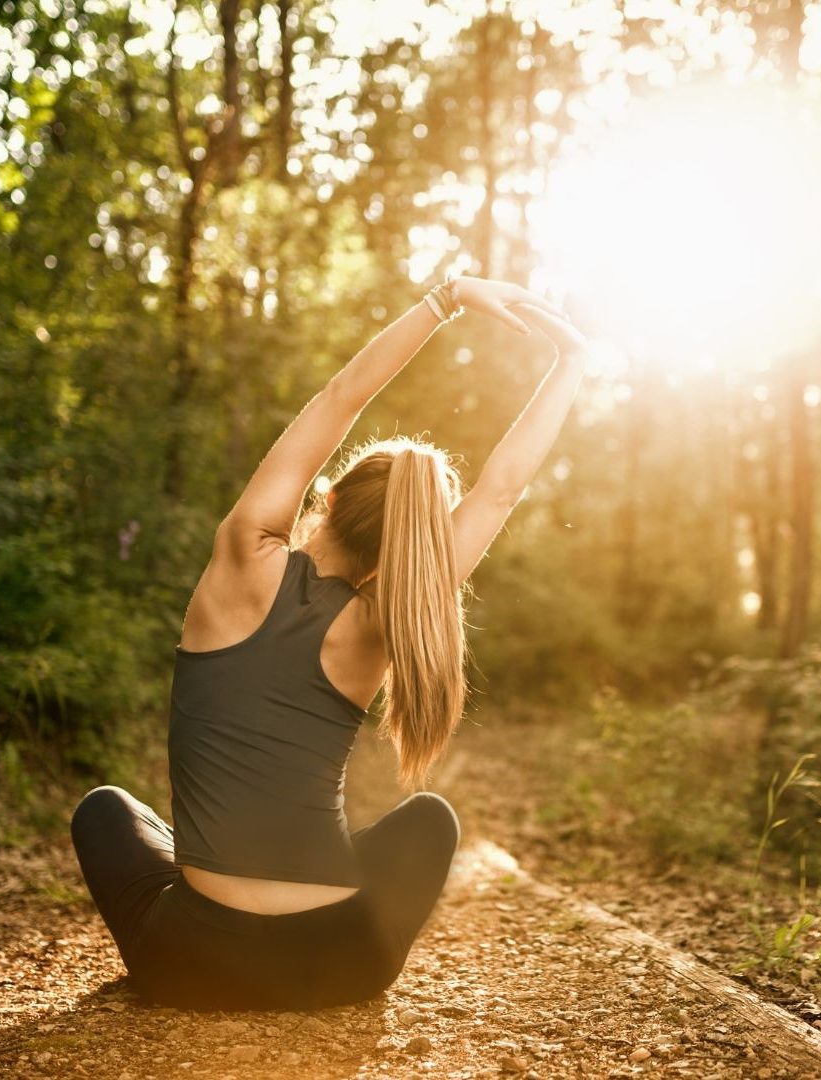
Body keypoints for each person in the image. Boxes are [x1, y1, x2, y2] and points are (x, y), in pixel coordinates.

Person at [68, 275, 590, 1011]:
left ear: (332, 498)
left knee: (107, 809)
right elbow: (498, 492)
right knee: (431, 820)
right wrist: (571, 359)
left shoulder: (243, 558)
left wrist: (446, 299)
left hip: (192, 962)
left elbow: (340, 399)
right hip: (336, 963)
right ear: (400, 551)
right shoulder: (386, 621)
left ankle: (197, 955)